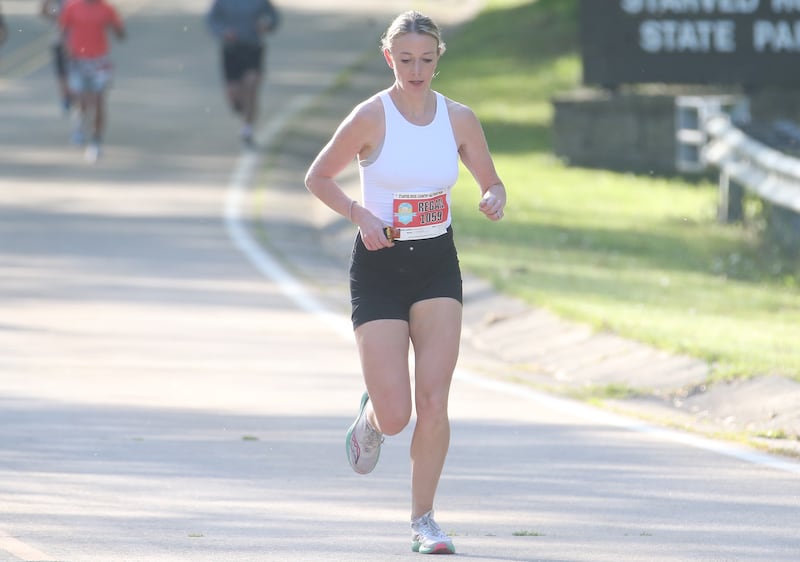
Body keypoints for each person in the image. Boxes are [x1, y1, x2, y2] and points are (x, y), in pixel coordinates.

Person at [304, 10, 507, 556]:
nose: (416, 70)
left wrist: (493, 196)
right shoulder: (371, 116)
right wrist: (358, 213)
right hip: (379, 265)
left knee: (435, 402)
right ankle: (371, 419)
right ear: (388, 57)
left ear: (439, 58)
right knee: (398, 415)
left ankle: (424, 520)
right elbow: (317, 176)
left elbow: (492, 181)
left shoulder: (459, 119)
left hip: (437, 263)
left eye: (427, 59)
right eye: (406, 59)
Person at [206, 0, 280, 147]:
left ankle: (247, 130)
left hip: (253, 48)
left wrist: (267, 25)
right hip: (231, 50)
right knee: (235, 93)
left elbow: (274, 17)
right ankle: (240, 106)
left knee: (251, 85)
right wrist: (223, 32)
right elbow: (211, 20)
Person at [59, 0, 125, 163]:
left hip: (99, 61)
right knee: (81, 100)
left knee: (98, 101)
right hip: (77, 59)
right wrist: (67, 51)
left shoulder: (107, 9)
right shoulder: (72, 7)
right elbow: (63, 31)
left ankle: (96, 141)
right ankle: (80, 128)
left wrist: (117, 28)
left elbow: (120, 33)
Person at [40, 0, 72, 114]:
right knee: (62, 72)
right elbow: (43, 11)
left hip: (79, 41)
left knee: (73, 72)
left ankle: (73, 96)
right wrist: (56, 17)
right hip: (59, 39)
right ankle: (65, 97)